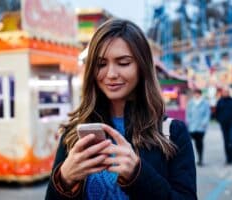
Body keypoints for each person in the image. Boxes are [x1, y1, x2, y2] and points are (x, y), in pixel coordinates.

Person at [45, 18, 197, 200]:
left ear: (142, 67)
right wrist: (64, 179)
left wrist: (137, 174)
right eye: (101, 64)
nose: (111, 74)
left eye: (123, 63)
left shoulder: (173, 133)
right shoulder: (74, 134)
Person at [215, 87, 232, 165]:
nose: (225, 93)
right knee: (226, 141)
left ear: (229, 93)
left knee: (231, 140)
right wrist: (219, 120)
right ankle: (228, 159)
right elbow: (217, 112)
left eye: (227, 92)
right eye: (224, 92)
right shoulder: (220, 101)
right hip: (223, 124)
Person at [186, 89, 211, 166]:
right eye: (195, 93)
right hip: (192, 127)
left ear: (200, 94)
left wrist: (204, 123)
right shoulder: (190, 103)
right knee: (188, 144)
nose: (197, 95)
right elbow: (188, 114)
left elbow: (207, 114)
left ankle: (200, 159)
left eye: (198, 94)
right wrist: (188, 122)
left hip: (201, 127)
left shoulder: (205, 103)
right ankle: (189, 160)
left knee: (199, 143)